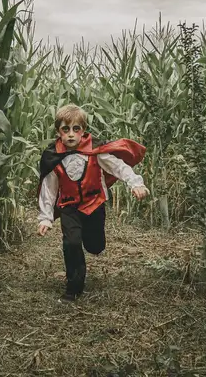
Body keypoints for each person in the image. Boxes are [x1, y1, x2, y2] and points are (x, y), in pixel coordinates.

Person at [37, 104, 150, 302]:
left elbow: (119, 168)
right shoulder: (53, 157)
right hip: (69, 207)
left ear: (83, 130)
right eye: (66, 129)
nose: (71, 134)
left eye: (76, 129)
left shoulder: (97, 151)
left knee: (96, 246)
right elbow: (49, 189)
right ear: (58, 132)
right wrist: (46, 218)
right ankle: (73, 287)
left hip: (94, 204)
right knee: (71, 243)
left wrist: (135, 183)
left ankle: (93, 245)